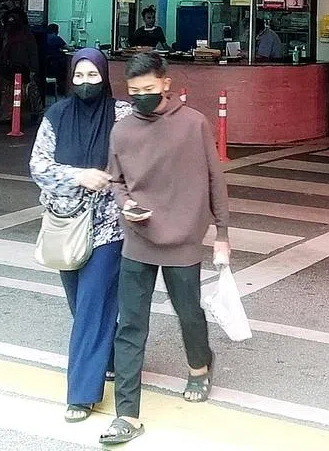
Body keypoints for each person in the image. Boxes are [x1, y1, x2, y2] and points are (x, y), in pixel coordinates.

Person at [101, 52, 230, 445]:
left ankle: (199, 366)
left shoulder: (194, 124)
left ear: (166, 84)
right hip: (138, 238)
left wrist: (223, 232)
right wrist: (126, 205)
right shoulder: (122, 131)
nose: (141, 96)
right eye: (133, 91)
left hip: (184, 238)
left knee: (188, 312)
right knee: (131, 324)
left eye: (149, 89)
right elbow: (116, 179)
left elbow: (214, 177)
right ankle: (127, 414)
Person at [30, 49, 133, 423]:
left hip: (108, 227)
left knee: (92, 305)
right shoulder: (56, 116)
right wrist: (78, 175)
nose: (86, 84)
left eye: (93, 76)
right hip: (66, 225)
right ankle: (114, 356)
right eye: (79, 76)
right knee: (81, 302)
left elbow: (139, 157)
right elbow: (38, 166)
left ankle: (82, 393)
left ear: (104, 77)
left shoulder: (121, 114)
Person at [0, 10, 44, 123]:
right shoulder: (24, 35)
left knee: (17, 92)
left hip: (18, 68)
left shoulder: (11, 35)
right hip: (17, 68)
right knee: (22, 92)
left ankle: (12, 115)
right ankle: (17, 114)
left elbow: (31, 53)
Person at [45, 24, 69, 97]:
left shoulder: (44, 37)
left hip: (46, 64)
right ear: (56, 30)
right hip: (55, 64)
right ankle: (62, 90)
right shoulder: (56, 38)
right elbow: (69, 48)